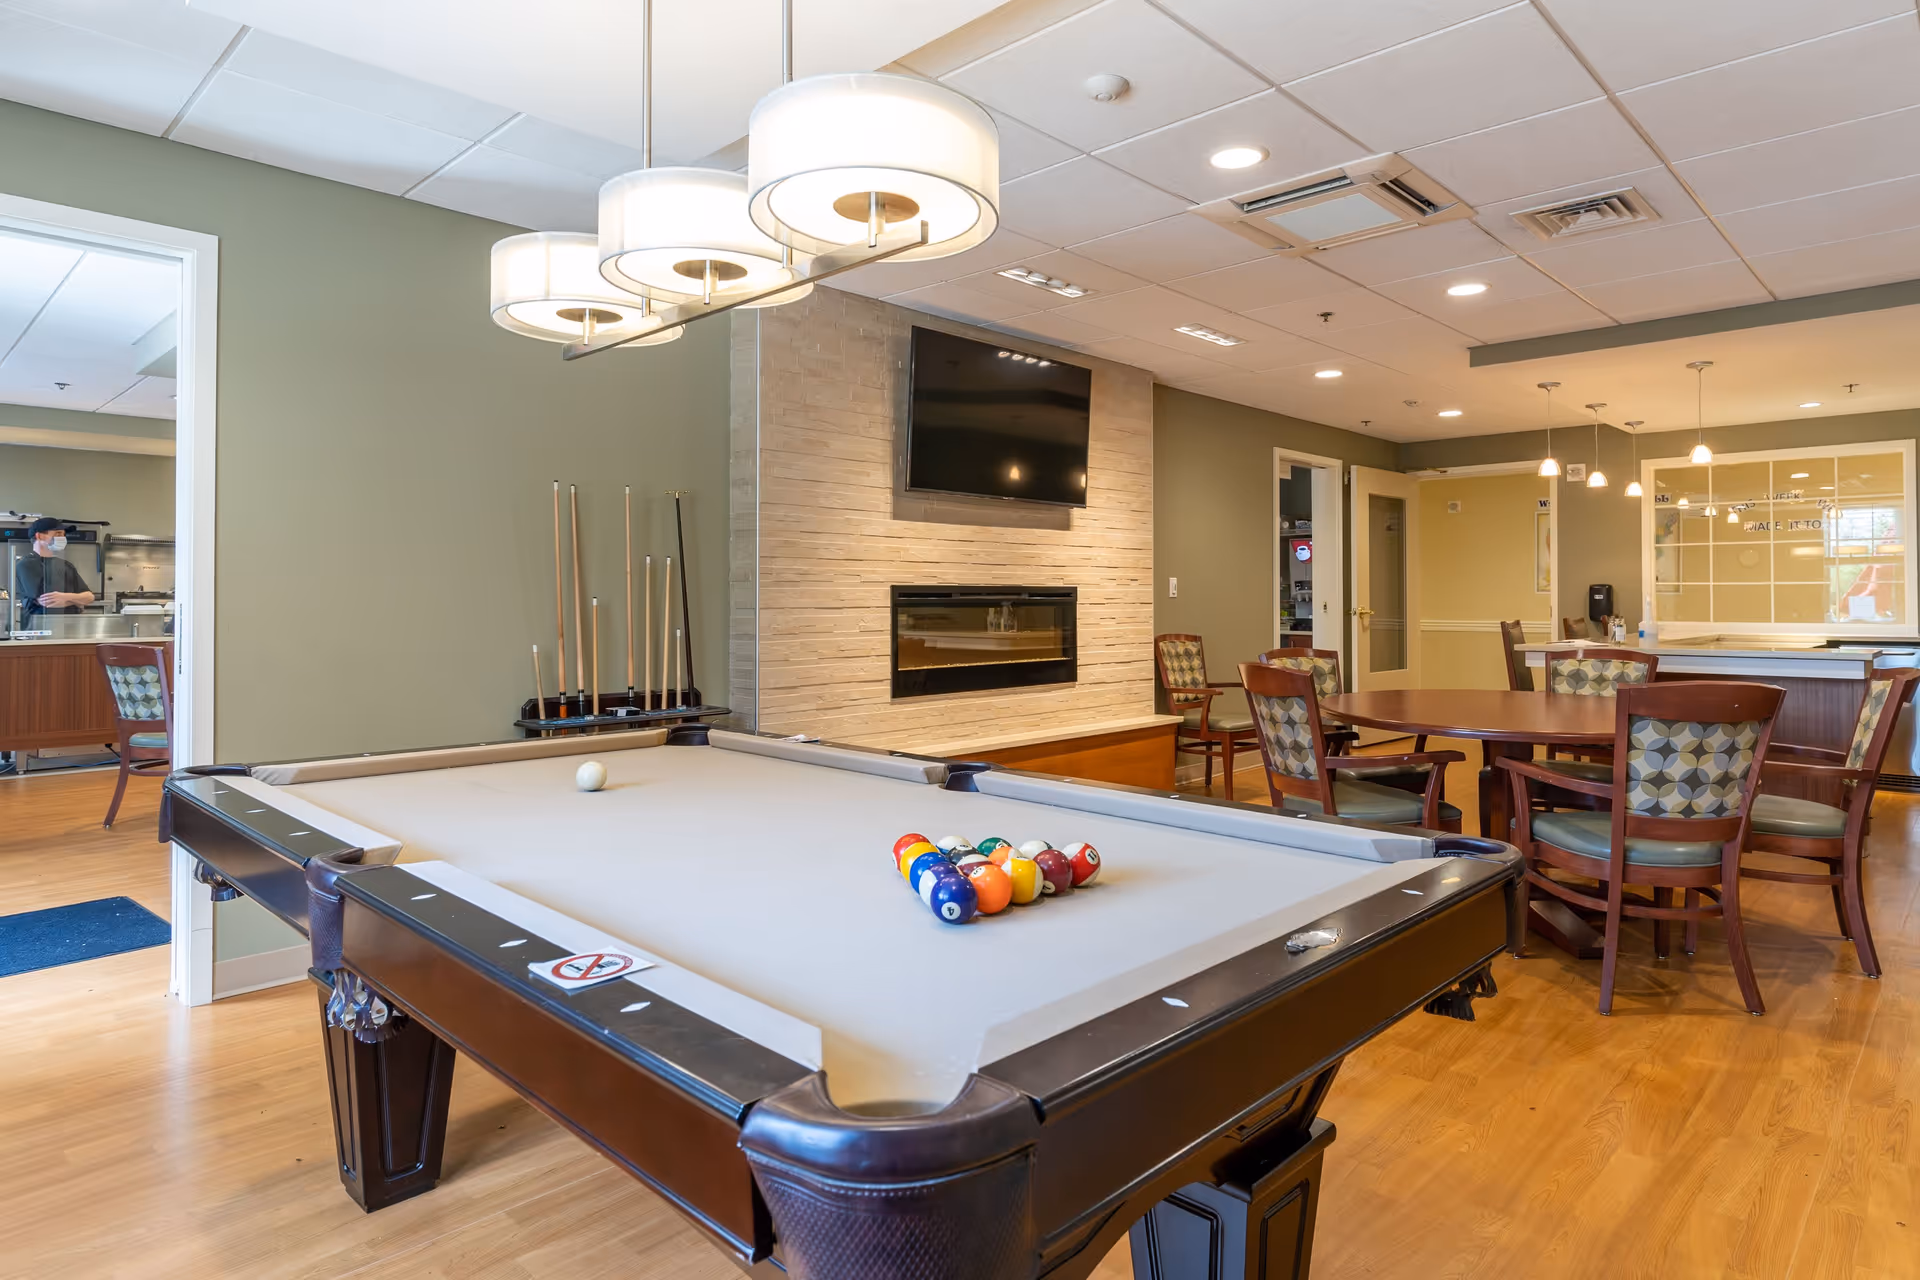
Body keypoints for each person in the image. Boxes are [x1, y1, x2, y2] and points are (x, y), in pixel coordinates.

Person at [14, 517, 95, 617]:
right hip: (41, 625)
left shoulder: (66, 565)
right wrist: (76, 600)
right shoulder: (25, 565)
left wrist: (65, 597)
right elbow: (47, 602)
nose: (63, 538)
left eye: (63, 534)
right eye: (58, 533)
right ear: (39, 536)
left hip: (70, 624)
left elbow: (89, 597)